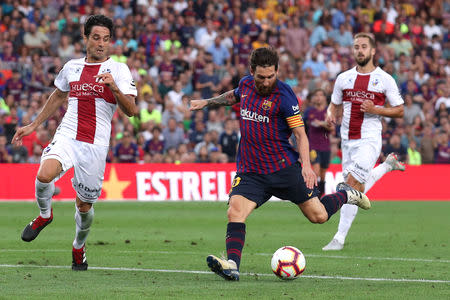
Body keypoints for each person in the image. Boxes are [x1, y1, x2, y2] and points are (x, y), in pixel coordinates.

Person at [190, 47, 370, 281]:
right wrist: (207, 102)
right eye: (261, 77)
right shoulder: (245, 85)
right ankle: (232, 264)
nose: (266, 82)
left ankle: (344, 193)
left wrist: (306, 166)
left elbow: (300, 134)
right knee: (235, 212)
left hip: (283, 168)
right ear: (251, 71)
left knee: (319, 216)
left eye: (271, 76)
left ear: (277, 71)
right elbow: (232, 96)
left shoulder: (285, 96)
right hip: (251, 171)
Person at [12, 15, 138, 270]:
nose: (101, 44)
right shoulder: (72, 67)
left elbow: (131, 111)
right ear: (85, 38)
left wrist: (114, 87)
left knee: (84, 206)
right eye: (96, 38)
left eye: (105, 39)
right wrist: (34, 125)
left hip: (95, 145)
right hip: (68, 135)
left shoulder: (120, 70)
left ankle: (79, 246)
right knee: (44, 174)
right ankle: (45, 215)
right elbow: (58, 95)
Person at [322, 33, 405, 251]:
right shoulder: (343, 78)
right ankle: (387, 166)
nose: (359, 50)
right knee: (355, 189)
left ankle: (338, 239)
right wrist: (330, 115)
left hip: (369, 140)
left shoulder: (385, 79)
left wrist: (375, 109)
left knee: (351, 185)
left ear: (373, 51)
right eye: (356, 47)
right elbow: (334, 104)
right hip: (347, 141)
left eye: (364, 46)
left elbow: (400, 110)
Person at [305, 89, 333, 197]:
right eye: (316, 95)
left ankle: (320, 196)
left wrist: (322, 124)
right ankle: (313, 195)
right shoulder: (309, 111)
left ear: (325, 98)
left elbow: (332, 128)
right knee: (315, 171)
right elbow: (302, 125)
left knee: (323, 174)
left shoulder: (328, 112)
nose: (318, 97)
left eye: (321, 95)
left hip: (325, 146)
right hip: (313, 146)